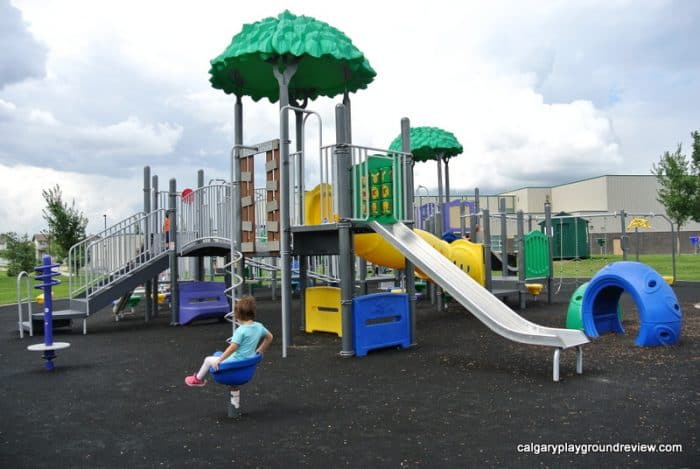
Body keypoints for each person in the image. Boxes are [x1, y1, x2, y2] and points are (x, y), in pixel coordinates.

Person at [184, 296, 273, 410]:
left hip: (235, 364)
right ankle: (204, 373)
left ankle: (198, 379)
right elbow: (270, 337)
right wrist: (260, 351)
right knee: (218, 353)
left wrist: (220, 360)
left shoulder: (240, 331)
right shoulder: (259, 327)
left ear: (238, 315)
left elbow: (232, 348)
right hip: (247, 363)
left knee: (208, 360)